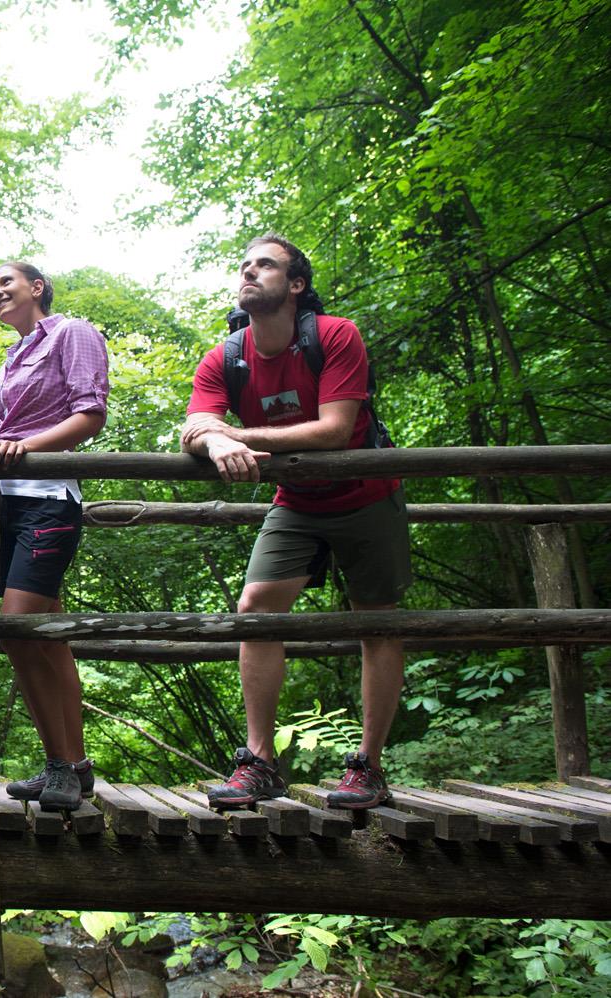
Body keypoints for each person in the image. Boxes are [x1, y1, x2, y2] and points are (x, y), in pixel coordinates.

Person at [181, 234, 410, 811]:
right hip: (298, 504)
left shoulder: (335, 336)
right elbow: (195, 425)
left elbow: (335, 429)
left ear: (297, 285)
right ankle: (259, 763)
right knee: (256, 609)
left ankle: (368, 767)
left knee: (376, 621)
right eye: (245, 266)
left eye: (265, 265)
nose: (249, 272)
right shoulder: (226, 357)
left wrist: (238, 436)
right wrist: (212, 439)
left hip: (366, 495)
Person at [0, 261, 109, 811]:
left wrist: (30, 449)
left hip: (48, 498)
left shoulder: (71, 332)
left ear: (37, 288)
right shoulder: (8, 356)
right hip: (0, 502)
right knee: (47, 637)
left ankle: (59, 763)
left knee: (15, 628)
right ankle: (74, 766)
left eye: (5, 282)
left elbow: (90, 414)